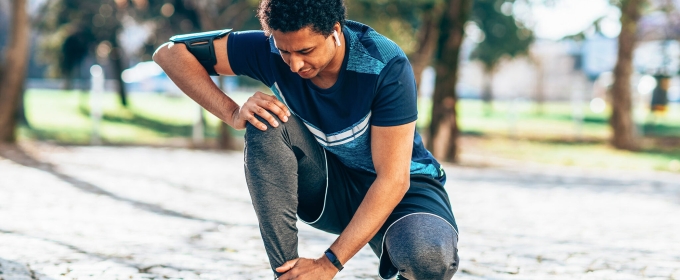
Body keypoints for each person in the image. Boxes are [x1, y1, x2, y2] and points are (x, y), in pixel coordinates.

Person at [153, 0, 458, 279]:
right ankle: (289, 276)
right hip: (329, 188)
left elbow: (393, 180)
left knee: (428, 254)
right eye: (285, 51)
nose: (294, 65)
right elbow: (170, 53)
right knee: (266, 122)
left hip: (404, 191)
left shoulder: (384, 63)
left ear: (335, 31)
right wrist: (233, 113)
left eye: (306, 51)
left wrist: (328, 264)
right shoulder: (269, 49)